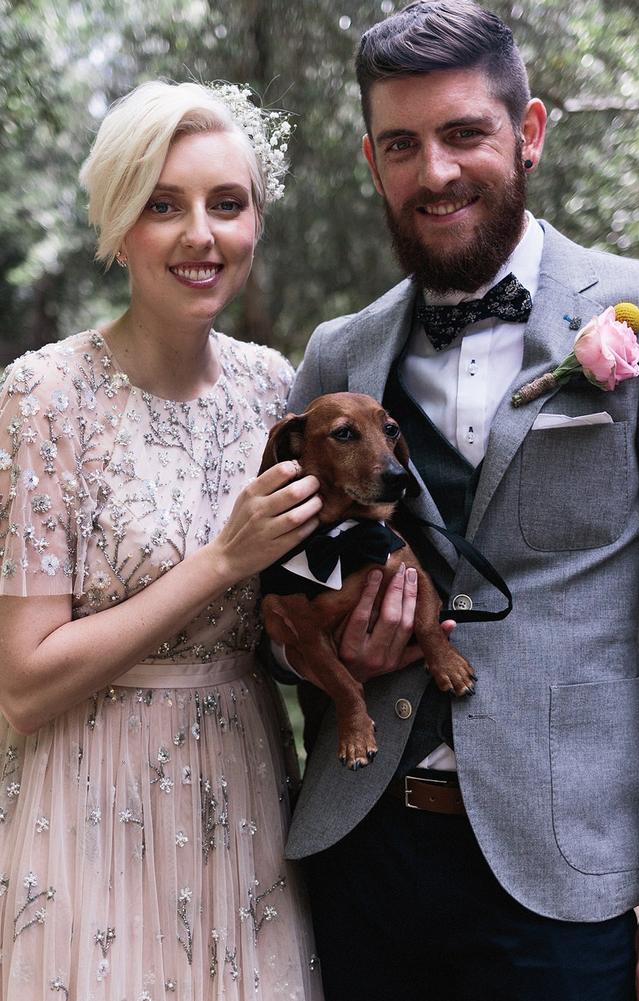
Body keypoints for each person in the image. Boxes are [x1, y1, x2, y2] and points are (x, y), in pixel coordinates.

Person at [284, 3, 639, 1000]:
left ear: (525, 133)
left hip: (563, 867)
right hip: (360, 854)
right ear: (371, 162)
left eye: (462, 134)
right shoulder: (335, 355)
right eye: (401, 144)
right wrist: (318, 653)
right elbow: (271, 586)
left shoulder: (633, 311)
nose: (433, 171)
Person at [0, 80, 326, 1000]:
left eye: (228, 204)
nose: (201, 235)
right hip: (86, 804)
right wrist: (222, 561)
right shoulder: (45, 395)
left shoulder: (274, 387)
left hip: (248, 796)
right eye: (163, 205)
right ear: (116, 224)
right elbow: (23, 684)